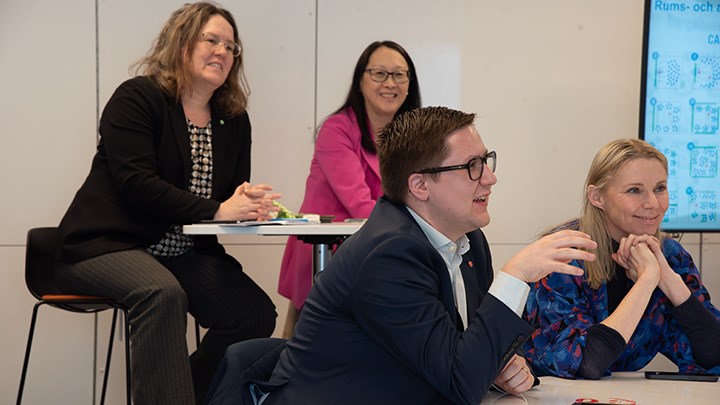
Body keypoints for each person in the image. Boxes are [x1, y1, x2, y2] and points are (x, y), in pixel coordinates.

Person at [207, 106, 597, 404]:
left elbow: (463, 356)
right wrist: (514, 278)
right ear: (420, 185)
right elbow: (461, 383)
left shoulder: (467, 239)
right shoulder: (388, 255)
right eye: (473, 167)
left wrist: (499, 368)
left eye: (487, 160)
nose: (490, 178)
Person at [53, 3, 279, 404]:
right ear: (181, 43)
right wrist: (217, 210)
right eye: (212, 39)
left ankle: (187, 393)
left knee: (252, 313)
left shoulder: (233, 117)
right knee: (162, 293)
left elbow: (226, 195)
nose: (223, 52)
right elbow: (136, 183)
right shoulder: (138, 97)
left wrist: (246, 203)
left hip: (179, 253)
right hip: (108, 244)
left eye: (231, 46)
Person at [524, 138, 720, 379]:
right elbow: (587, 363)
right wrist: (648, 280)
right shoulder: (563, 255)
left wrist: (668, 279)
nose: (653, 203)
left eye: (660, 188)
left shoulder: (671, 256)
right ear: (597, 197)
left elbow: (713, 354)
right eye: (634, 190)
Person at [277, 40, 421, 337]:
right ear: (360, 81)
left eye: (399, 75)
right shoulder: (337, 129)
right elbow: (360, 203)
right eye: (379, 73)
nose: (390, 83)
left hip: (382, 251)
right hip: (327, 254)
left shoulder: (414, 136)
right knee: (302, 354)